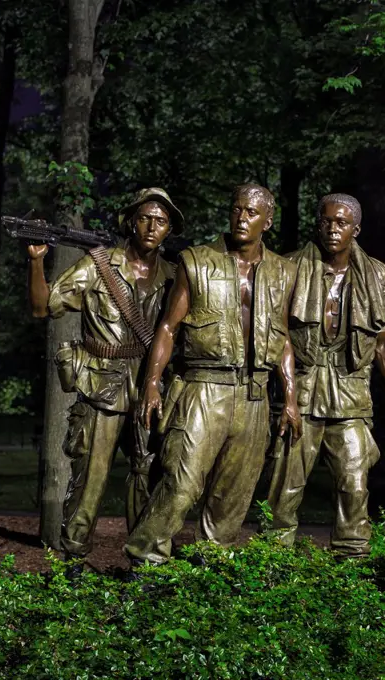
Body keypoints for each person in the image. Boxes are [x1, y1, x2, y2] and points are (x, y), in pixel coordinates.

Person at [124, 183, 302, 568]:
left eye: (251, 213)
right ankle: (145, 563)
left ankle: (209, 571)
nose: (241, 217)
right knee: (180, 483)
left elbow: (283, 337)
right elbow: (168, 329)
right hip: (203, 387)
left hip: (254, 395)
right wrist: (152, 383)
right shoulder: (197, 260)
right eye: (236, 209)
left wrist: (290, 398)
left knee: (233, 494)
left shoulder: (284, 272)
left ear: (267, 222)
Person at [28, 188, 184, 571]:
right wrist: (36, 262)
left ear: (168, 230)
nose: (151, 227)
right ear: (131, 221)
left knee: (148, 474)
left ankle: (145, 562)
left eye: (161, 221)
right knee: (90, 480)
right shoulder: (96, 265)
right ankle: (73, 563)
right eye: (145, 218)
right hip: (102, 388)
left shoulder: (175, 275)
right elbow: (42, 306)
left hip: (150, 386)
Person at [268, 193, 385, 557]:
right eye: (327, 221)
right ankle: (271, 562)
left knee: (354, 484)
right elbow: (278, 336)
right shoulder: (289, 268)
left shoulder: (376, 275)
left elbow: (383, 343)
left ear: (356, 228)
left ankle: (351, 564)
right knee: (286, 486)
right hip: (302, 389)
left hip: (350, 391)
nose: (333, 229)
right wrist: (287, 396)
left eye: (342, 222)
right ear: (317, 223)